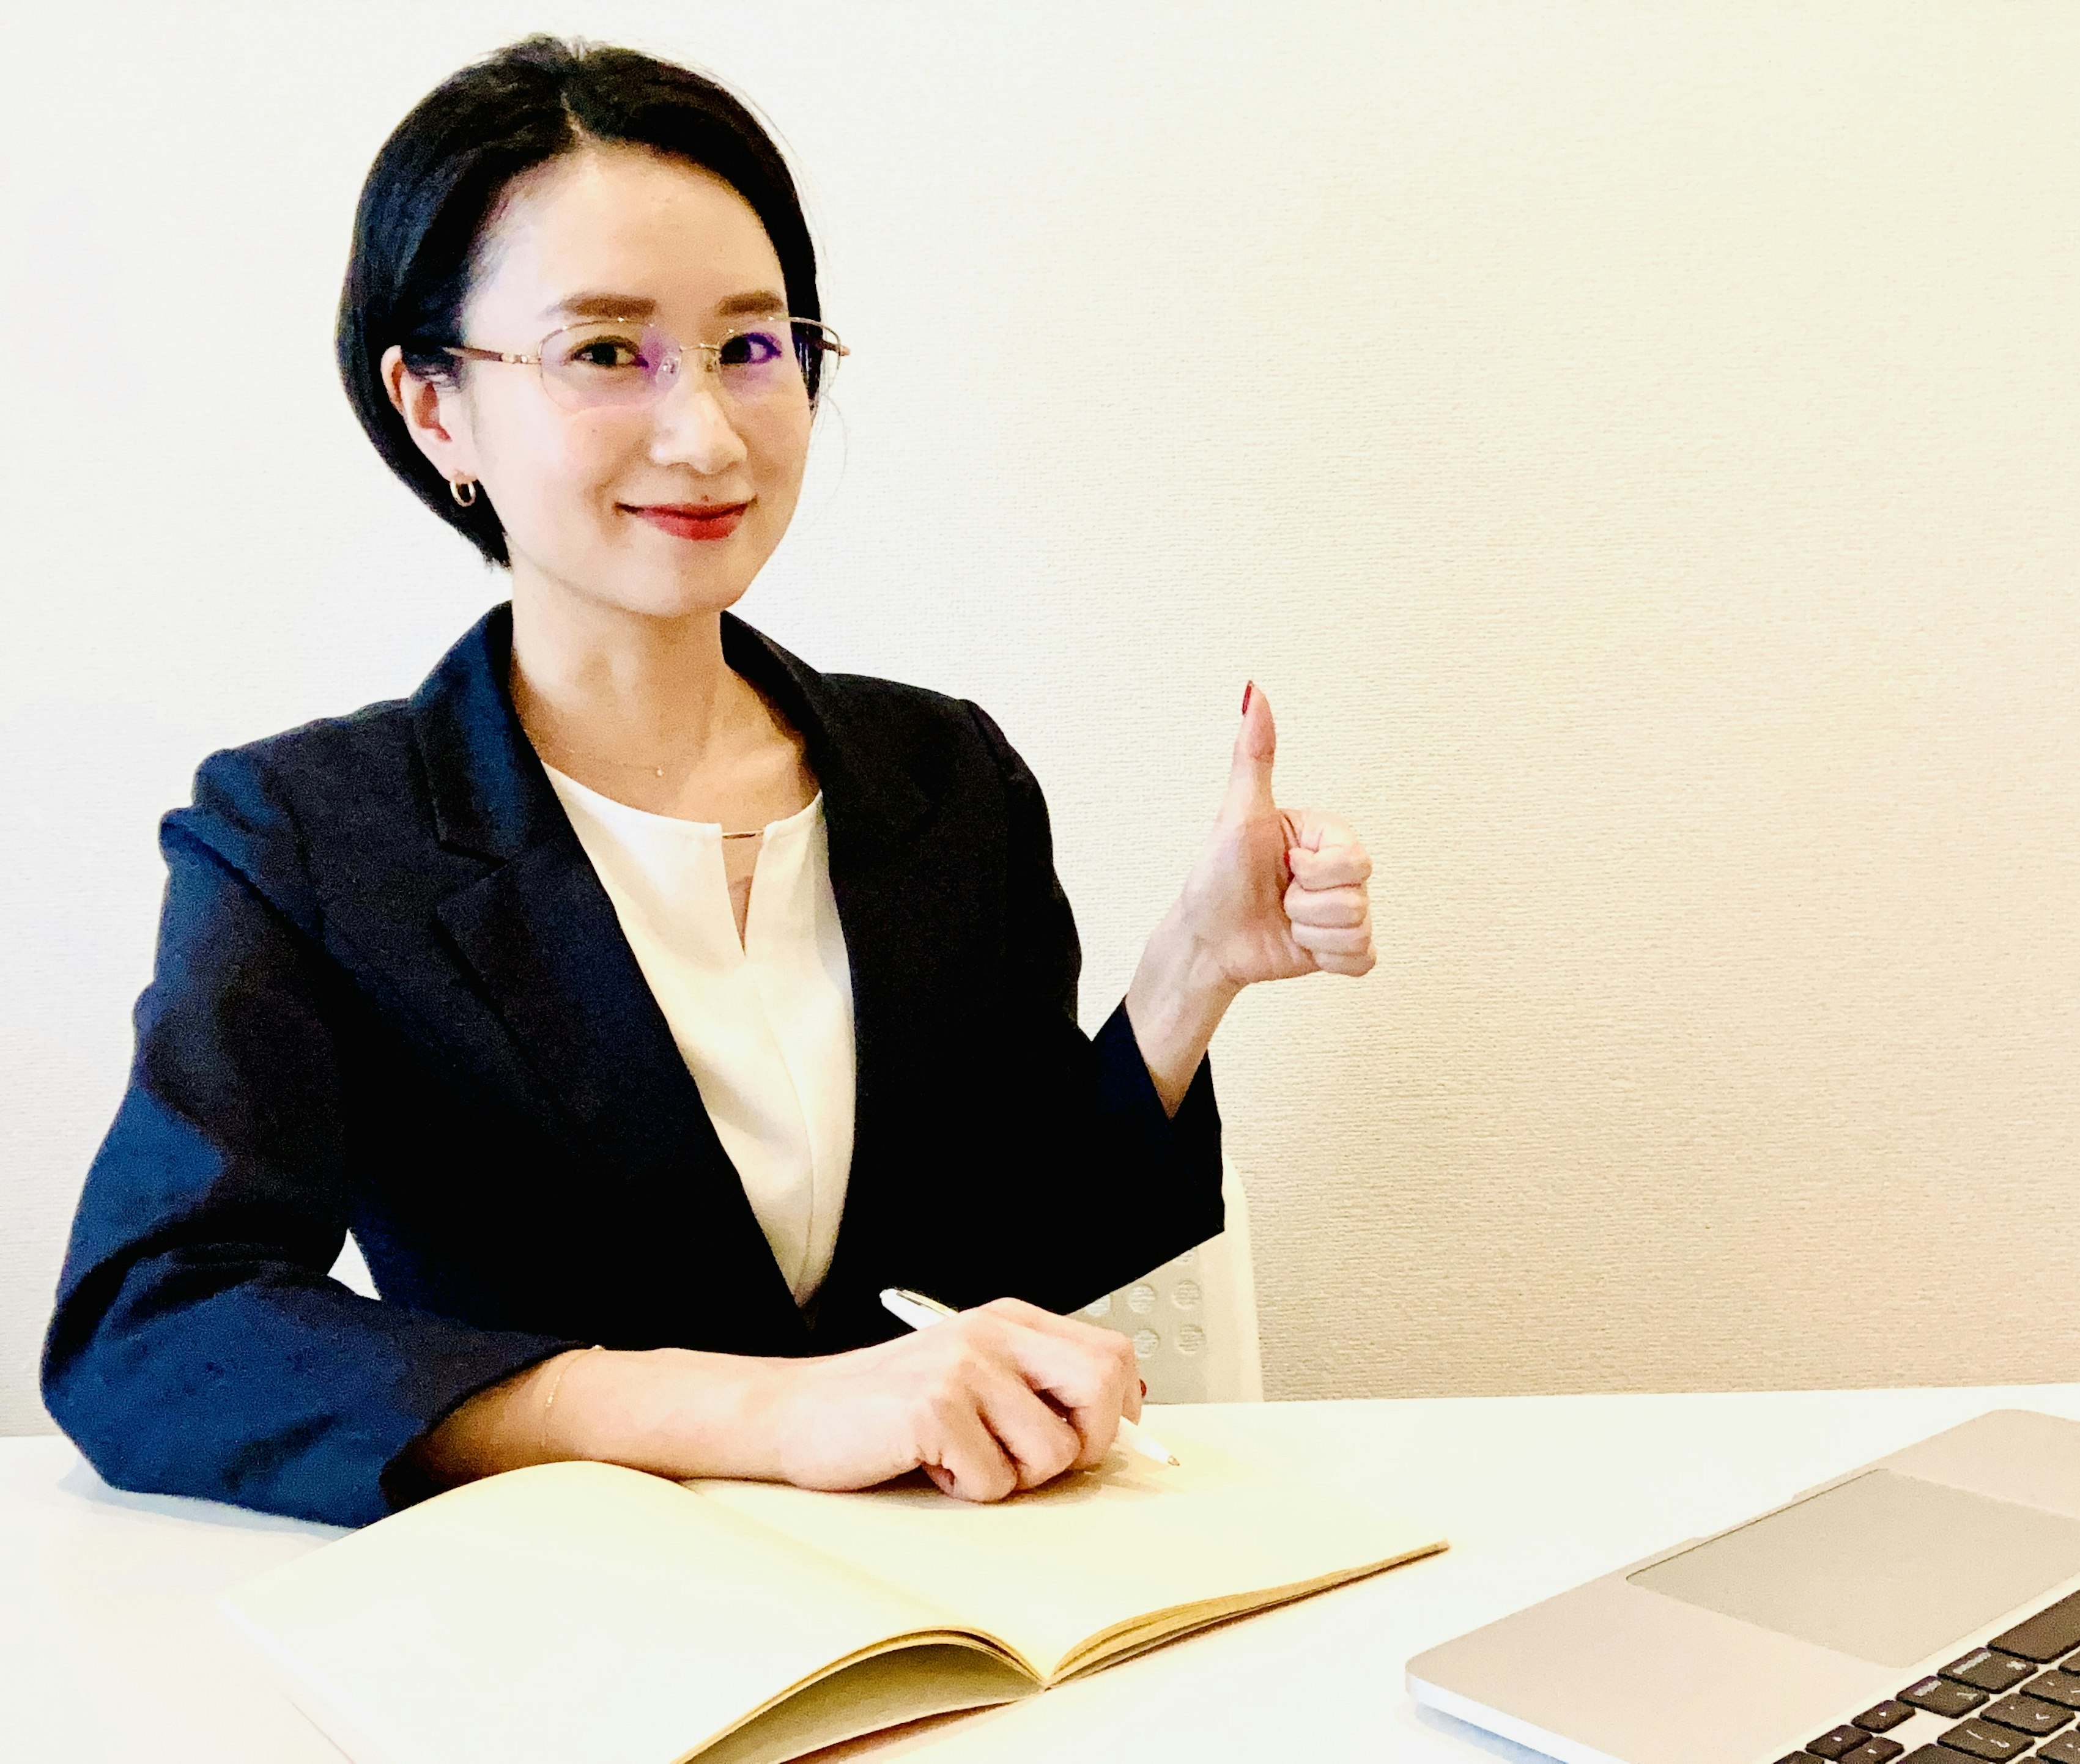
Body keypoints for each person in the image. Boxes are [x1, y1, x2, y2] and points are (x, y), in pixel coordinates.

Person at [40, 35, 1375, 1530]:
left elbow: (1007, 1265)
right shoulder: (306, 838)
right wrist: (759, 1411)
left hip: (962, 1606)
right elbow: (156, 1333)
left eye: (752, 346)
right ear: (434, 406)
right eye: (607, 352)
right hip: (581, 1630)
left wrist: (1191, 976)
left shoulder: (942, 777)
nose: (706, 433)